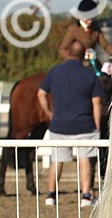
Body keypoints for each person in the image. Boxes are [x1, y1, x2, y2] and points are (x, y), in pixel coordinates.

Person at [38, 40, 103, 207]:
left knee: (56, 160)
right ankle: (86, 196)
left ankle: (51, 195)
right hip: (84, 125)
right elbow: (96, 103)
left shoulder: (54, 72)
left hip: (59, 125)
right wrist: (97, 125)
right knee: (85, 160)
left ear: (68, 53)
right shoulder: (89, 75)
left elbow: (40, 94)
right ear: (83, 55)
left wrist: (49, 113)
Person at [58, 0, 112, 66]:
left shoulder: (95, 28)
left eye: (92, 18)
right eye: (88, 18)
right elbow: (62, 49)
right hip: (77, 63)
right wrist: (71, 60)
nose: (90, 21)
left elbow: (105, 45)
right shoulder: (73, 29)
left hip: (92, 62)